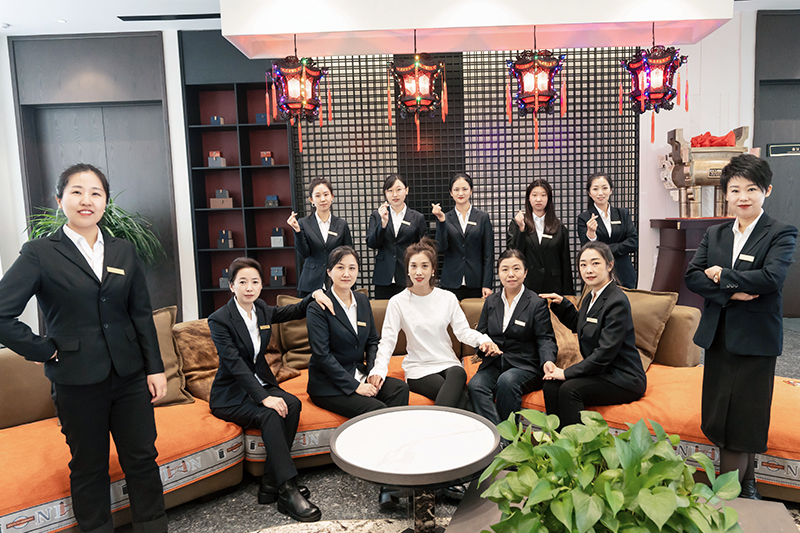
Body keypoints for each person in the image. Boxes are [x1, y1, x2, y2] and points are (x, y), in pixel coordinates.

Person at [0, 163, 168, 533]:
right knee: (89, 466)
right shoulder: (40, 253)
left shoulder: (123, 251)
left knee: (142, 459)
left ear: (106, 202)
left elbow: (141, 314)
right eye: (76, 192)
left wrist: (155, 368)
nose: (86, 200)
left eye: (95, 193)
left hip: (130, 376)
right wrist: (43, 349)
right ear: (59, 200)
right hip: (76, 380)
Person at [685, 154, 797, 500]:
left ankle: (731, 494)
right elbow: (692, 277)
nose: (743, 197)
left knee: (746, 416)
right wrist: (733, 290)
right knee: (720, 414)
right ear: (726, 194)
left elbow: (771, 278)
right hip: (719, 336)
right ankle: (747, 485)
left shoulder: (780, 232)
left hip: (756, 338)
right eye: (735, 190)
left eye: (751, 189)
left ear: (767, 190)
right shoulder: (715, 233)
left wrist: (722, 276)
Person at [208, 257, 333, 522]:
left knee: (293, 404)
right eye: (242, 282)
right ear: (231, 286)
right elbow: (235, 364)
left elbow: (292, 312)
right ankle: (287, 489)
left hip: (260, 383)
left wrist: (314, 295)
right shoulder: (219, 320)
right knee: (270, 414)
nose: (249, 287)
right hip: (231, 394)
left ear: (261, 285)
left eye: (255, 282)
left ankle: (269, 484)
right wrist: (264, 397)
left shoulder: (262, 310)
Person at [305, 246, 409, 508]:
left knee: (399, 390)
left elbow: (373, 340)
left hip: (359, 372)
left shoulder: (362, 301)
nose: (346, 273)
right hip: (328, 384)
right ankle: (388, 482)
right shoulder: (318, 307)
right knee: (376, 409)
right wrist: (355, 387)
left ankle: (395, 465)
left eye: (352, 268)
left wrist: (374, 372)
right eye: (340, 267)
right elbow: (322, 356)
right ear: (329, 271)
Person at [369, 238, 497, 410]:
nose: (419, 272)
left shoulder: (447, 297)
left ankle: (435, 424)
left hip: (447, 362)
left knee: (458, 371)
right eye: (413, 266)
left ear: (433, 269)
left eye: (424, 266)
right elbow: (388, 341)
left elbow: (463, 332)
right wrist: (378, 369)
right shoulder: (397, 302)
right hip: (418, 368)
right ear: (407, 269)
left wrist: (483, 340)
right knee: (463, 400)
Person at [539, 242, 646, 429]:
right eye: (583, 264)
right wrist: (562, 304)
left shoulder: (617, 302)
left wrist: (565, 372)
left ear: (610, 265)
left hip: (623, 377)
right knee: (550, 385)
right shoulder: (591, 296)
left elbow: (604, 353)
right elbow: (582, 325)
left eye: (595, 263)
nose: (588, 270)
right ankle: (558, 440)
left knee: (569, 390)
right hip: (600, 372)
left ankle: (576, 445)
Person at [467, 249, 558, 428]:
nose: (510, 274)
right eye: (505, 269)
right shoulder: (491, 302)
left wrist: (548, 360)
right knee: (475, 385)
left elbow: (545, 338)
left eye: (516, 268)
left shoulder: (536, 303)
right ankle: (497, 436)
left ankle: (506, 438)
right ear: (498, 273)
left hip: (525, 365)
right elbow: (481, 335)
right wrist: (485, 346)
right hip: (495, 364)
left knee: (507, 381)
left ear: (525, 272)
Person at [432, 172, 494, 300]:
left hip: (476, 281)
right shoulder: (445, 217)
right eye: (456, 190)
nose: (461, 193)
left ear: (471, 191)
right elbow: (440, 247)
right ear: (451, 192)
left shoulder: (482, 217)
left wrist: (487, 284)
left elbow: (488, 254)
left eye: (465, 189)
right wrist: (441, 221)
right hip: (451, 282)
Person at [507, 179, 574, 295]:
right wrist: (521, 230)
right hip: (527, 285)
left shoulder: (559, 226)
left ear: (549, 198)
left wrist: (568, 294)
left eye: (543, 195)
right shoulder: (517, 223)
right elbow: (513, 255)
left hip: (553, 286)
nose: (539, 199)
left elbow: (565, 263)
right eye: (534, 195)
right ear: (528, 198)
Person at [288, 177, 353, 297]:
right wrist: (297, 231)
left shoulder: (341, 224)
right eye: (317, 196)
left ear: (332, 197)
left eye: (326, 194)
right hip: (310, 282)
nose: (323, 199)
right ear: (311, 200)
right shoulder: (303, 223)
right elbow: (304, 254)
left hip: (336, 281)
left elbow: (349, 254)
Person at [367, 174, 427, 299]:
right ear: (385, 193)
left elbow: (424, 248)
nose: (395, 195)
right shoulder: (377, 215)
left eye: (399, 189)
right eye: (390, 191)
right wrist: (383, 224)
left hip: (408, 275)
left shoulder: (417, 217)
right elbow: (372, 243)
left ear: (406, 190)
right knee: (383, 309)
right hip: (384, 276)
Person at [576, 172, 638, 288]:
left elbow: (633, 242)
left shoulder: (622, 214)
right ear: (589, 193)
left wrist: (605, 250)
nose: (600, 193)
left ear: (611, 190)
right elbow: (587, 249)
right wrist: (591, 235)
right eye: (595, 189)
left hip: (624, 274)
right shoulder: (584, 218)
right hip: (597, 275)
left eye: (604, 188)